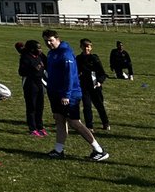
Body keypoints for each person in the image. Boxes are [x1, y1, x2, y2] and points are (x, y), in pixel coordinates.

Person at [43, 29, 108, 161]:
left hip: (69, 94)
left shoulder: (66, 54)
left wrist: (66, 94)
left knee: (74, 122)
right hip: (56, 94)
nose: (48, 43)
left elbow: (70, 76)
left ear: (57, 39)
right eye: (46, 41)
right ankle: (58, 150)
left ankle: (99, 150)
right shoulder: (51, 53)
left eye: (51, 40)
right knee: (59, 119)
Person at [77, 38, 110, 131]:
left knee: (99, 105)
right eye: (84, 46)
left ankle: (105, 123)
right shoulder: (78, 58)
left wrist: (99, 82)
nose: (86, 48)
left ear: (91, 48)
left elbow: (102, 73)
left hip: (95, 86)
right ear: (81, 47)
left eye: (88, 47)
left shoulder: (94, 58)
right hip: (84, 87)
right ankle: (89, 126)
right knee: (87, 106)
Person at [17, 39, 48, 137]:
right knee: (31, 107)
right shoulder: (26, 58)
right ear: (31, 49)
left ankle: (40, 127)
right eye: (38, 48)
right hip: (30, 84)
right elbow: (21, 72)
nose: (40, 49)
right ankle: (32, 128)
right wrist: (33, 69)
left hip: (39, 83)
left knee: (40, 106)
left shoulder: (40, 56)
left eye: (40, 47)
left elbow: (47, 63)